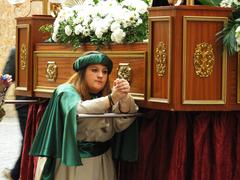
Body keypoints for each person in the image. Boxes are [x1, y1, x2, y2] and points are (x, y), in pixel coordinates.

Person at [30, 51, 139, 180]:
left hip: (103, 160)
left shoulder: (106, 95)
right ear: (82, 72)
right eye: (94, 70)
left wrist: (124, 97)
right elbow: (78, 110)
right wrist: (111, 99)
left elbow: (120, 123)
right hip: (72, 162)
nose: (100, 76)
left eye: (105, 72)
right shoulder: (66, 91)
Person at [1, 48, 30, 180]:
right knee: (28, 140)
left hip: (38, 103)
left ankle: (16, 173)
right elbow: (6, 79)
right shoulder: (18, 50)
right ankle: (16, 174)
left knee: (29, 141)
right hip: (25, 104)